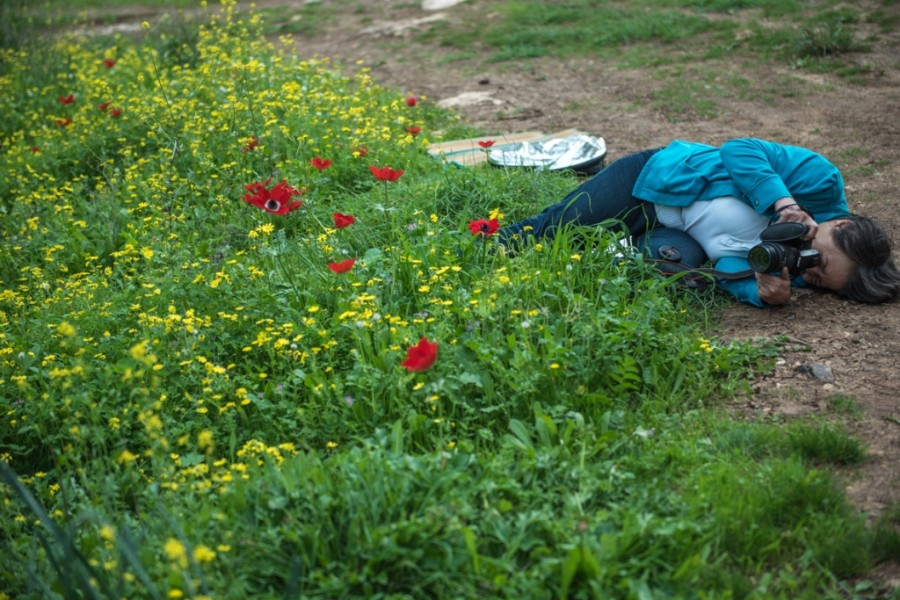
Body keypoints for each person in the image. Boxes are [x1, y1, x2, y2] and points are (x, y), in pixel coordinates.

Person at [497, 138, 900, 307]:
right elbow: (739, 149)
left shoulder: (795, 267)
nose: (808, 271)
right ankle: (488, 245)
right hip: (650, 184)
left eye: (819, 284)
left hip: (675, 234)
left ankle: (609, 253)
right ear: (843, 227)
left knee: (671, 270)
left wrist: (759, 292)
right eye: (822, 265)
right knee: (553, 228)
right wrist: (783, 202)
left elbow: (728, 264)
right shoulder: (820, 181)